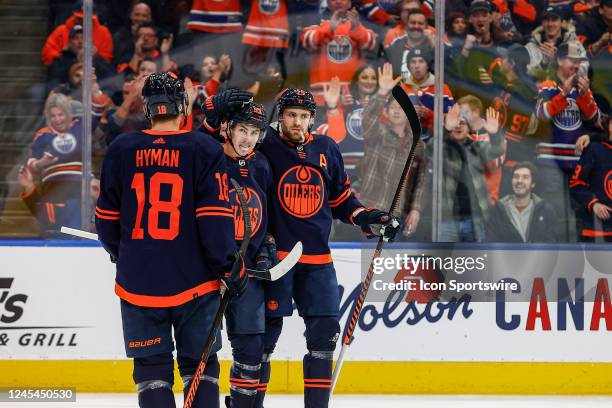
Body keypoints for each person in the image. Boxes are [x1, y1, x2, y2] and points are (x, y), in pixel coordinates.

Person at [95, 72, 247, 408]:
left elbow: (105, 221)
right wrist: (228, 264)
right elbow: (214, 218)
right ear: (182, 106)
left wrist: (124, 254)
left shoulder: (121, 148)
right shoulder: (203, 147)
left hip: (138, 283)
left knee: (151, 371)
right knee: (201, 368)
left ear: (147, 109)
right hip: (194, 283)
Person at [256, 88, 403, 407]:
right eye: (291, 114)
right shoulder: (264, 145)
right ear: (280, 116)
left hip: (317, 261)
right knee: (261, 342)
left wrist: (368, 217)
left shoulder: (326, 148)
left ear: (312, 119)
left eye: (304, 116)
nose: (298, 121)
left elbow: (341, 200)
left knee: (324, 338)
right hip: (275, 263)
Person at [535, 40, 601, 241]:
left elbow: (597, 120)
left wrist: (583, 97)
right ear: (560, 61)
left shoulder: (583, 88)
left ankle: (577, 252)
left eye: (580, 61)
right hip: (550, 162)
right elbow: (541, 114)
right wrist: (563, 94)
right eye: (573, 60)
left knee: (578, 211)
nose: (576, 65)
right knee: (554, 212)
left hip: (576, 162)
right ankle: (554, 254)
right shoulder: (547, 86)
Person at [360, 63, 428, 237]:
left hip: (398, 216)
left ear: (409, 114)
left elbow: (421, 180)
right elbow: (368, 121)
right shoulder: (378, 134)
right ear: (387, 112)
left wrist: (416, 209)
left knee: (390, 263)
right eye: (392, 108)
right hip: (370, 211)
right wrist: (382, 92)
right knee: (366, 261)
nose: (396, 111)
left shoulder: (418, 144)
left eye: (401, 108)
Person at [437, 103, 504, 242]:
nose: (458, 126)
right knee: (445, 262)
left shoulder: (477, 147)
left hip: (474, 219)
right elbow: (431, 149)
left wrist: (495, 134)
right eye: (455, 123)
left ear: (469, 129)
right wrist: (445, 128)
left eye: (462, 123)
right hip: (447, 220)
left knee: (474, 260)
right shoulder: (442, 148)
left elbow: (497, 150)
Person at [301, 0, 377, 103]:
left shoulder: (358, 24)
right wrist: (329, 29)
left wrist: (356, 28)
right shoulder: (317, 22)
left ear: (350, 3)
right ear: (327, 2)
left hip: (353, 94)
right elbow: (307, 41)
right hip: (322, 95)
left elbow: (370, 44)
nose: (338, 1)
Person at [486, 162, 560, 242]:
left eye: (525, 177)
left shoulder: (545, 211)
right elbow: (492, 244)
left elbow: (552, 246)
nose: (519, 181)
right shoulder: (499, 210)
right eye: (516, 177)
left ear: (533, 184)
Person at [569, 117, 612, 242]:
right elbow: (576, 184)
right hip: (596, 231)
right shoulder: (594, 149)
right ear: (609, 125)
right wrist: (594, 203)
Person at [42, 1, 113, 65]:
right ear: (74, 16)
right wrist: (65, 56)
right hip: (66, 72)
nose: (84, 22)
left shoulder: (103, 32)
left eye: (88, 19)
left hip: (95, 72)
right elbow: (47, 55)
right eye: (80, 19)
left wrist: (96, 56)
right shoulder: (61, 30)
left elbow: (107, 60)